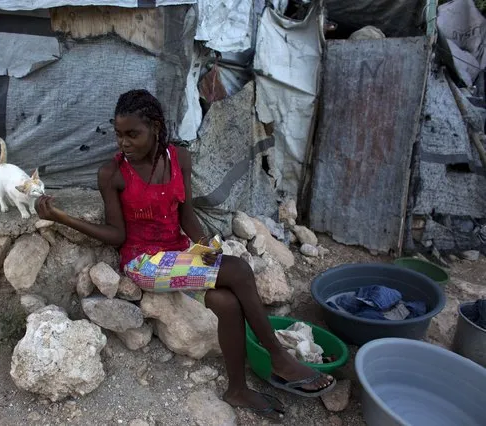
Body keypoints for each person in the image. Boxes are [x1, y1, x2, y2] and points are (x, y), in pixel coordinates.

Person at [36, 89, 334, 419]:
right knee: (239, 271)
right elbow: (116, 235)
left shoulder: (179, 158)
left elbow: (186, 214)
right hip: (144, 262)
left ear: (155, 127)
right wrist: (62, 217)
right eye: (119, 134)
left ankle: (236, 390)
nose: (123, 142)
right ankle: (279, 357)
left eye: (133, 134)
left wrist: (204, 244)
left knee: (228, 302)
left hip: (178, 253)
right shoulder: (113, 174)